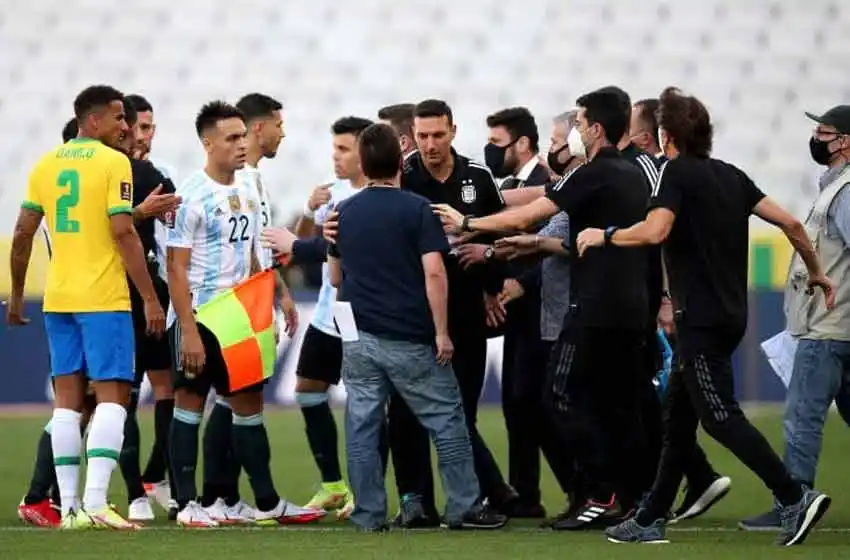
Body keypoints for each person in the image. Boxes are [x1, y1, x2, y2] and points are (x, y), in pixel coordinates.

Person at [576, 87, 834, 546]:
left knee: (718, 417)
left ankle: (794, 497)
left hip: (701, 318)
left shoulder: (672, 175)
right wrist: (818, 274)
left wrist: (605, 234)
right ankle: (650, 517)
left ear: (665, 136)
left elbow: (656, 230)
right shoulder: (731, 175)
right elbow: (792, 225)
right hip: (733, 315)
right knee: (677, 420)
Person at [433, 87, 651, 528]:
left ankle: (601, 492)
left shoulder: (590, 172)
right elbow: (564, 234)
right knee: (615, 403)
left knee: (559, 394)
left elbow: (528, 212)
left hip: (591, 306)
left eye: (578, 122)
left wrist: (467, 222)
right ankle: (629, 496)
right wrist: (533, 244)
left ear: (594, 128)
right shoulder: (633, 174)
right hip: (632, 304)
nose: (571, 133)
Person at [325, 122, 507, 531]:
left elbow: (336, 277)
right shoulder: (416, 210)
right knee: (446, 417)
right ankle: (464, 505)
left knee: (362, 425)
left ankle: (368, 513)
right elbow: (435, 274)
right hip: (407, 333)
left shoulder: (343, 214)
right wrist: (442, 332)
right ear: (400, 164)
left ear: (365, 163)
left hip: (357, 334)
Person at [8, 84, 166, 530]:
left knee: (67, 403)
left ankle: (71, 509)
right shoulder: (115, 163)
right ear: (91, 120)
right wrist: (151, 299)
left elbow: (22, 234)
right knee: (114, 397)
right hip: (103, 298)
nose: (125, 126)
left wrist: (18, 297)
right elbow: (123, 231)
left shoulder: (46, 163)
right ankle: (97, 503)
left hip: (59, 299)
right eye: (118, 118)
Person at [165, 101, 319, 528]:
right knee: (190, 405)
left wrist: (268, 301)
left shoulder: (250, 188)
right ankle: (186, 504)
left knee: (248, 406)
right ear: (207, 143)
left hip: (239, 315)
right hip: (201, 312)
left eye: (241, 136)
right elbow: (175, 268)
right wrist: (189, 331)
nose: (240, 145)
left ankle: (267, 502)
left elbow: (254, 255)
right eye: (231, 138)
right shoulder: (189, 195)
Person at [740, 105, 850, 531]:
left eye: (825, 131)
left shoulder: (844, 191)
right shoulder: (834, 186)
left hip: (827, 326)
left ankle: (795, 500)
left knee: (803, 416)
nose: (817, 137)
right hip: (833, 323)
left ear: (845, 141)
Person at [196, 92, 294, 525]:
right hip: (231, 303)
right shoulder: (241, 181)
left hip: (250, 297)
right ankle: (219, 497)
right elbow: (252, 249)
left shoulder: (250, 178)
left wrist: (280, 293)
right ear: (259, 129)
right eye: (278, 124)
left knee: (231, 400)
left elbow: (262, 247)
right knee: (234, 399)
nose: (283, 133)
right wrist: (270, 296)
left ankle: (225, 498)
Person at [286, 116, 373, 517]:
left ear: (364, 152)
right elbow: (300, 246)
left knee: (364, 400)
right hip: (325, 312)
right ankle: (333, 485)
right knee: (307, 389)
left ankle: (362, 490)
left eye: (343, 149)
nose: (335, 157)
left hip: (359, 312)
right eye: (334, 149)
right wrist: (308, 208)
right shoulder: (332, 193)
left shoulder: (376, 195)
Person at [123, 93, 178, 513]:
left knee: (166, 388)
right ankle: (134, 494)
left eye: (151, 128)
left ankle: (158, 478)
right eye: (141, 127)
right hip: (116, 297)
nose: (147, 136)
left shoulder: (152, 173)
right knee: (117, 395)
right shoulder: (124, 173)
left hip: (154, 291)